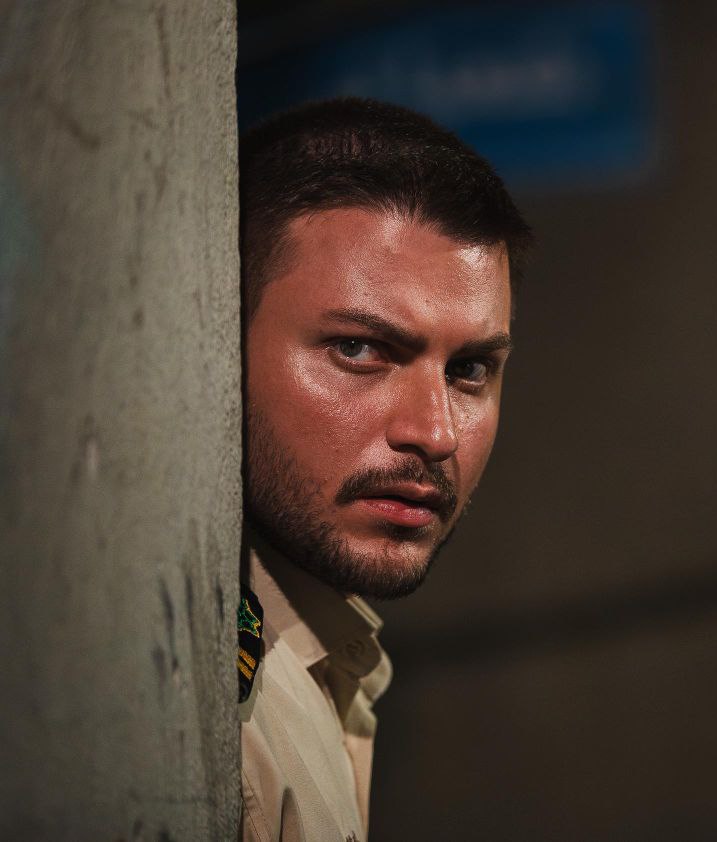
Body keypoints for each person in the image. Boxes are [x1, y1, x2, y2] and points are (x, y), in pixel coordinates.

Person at [235, 98, 533, 841]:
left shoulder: (321, 663)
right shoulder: (208, 718)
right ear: (218, 337)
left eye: (469, 369)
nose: (434, 434)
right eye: (359, 350)